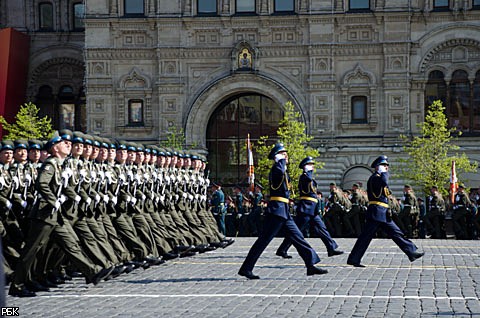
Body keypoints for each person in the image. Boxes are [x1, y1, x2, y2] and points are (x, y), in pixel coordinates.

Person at [238, 143, 327, 279]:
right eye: (283, 155)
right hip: (276, 211)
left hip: (283, 211)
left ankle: (310, 265)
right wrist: (279, 160)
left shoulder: (282, 170)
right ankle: (246, 268)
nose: (286, 157)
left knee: (298, 238)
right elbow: (280, 172)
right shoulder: (276, 170)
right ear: (278, 157)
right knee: (263, 241)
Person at [347, 155, 424, 267]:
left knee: (396, 232)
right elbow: (384, 182)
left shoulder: (379, 177)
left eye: (387, 165)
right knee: (366, 237)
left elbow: (386, 192)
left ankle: (411, 251)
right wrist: (384, 173)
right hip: (376, 212)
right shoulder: (375, 178)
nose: (386, 167)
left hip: (382, 212)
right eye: (384, 165)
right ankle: (354, 259)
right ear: (378, 167)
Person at [275, 156, 343, 259]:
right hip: (306, 208)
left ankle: (331, 248)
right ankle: (282, 249)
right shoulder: (304, 177)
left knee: (322, 228)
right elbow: (308, 186)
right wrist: (307, 171)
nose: (312, 167)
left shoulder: (309, 178)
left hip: (313, 209)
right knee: (297, 231)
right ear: (305, 167)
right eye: (310, 165)